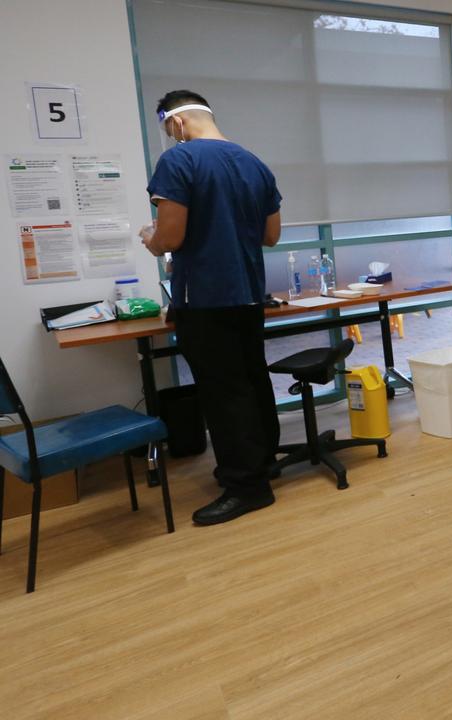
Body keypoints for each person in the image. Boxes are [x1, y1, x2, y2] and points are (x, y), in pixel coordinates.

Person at [140, 90, 283, 526]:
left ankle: (246, 487)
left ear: (177, 124)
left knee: (224, 393)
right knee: (252, 380)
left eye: (168, 130)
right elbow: (271, 235)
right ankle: (263, 464)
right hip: (247, 295)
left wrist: (151, 238)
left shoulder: (179, 161)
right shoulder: (254, 163)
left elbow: (172, 237)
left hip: (204, 297)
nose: (171, 137)